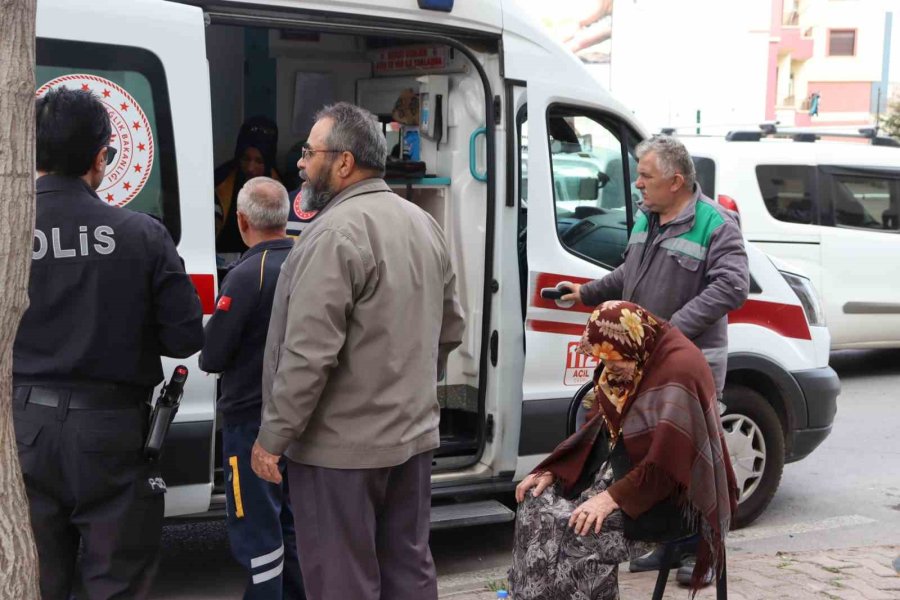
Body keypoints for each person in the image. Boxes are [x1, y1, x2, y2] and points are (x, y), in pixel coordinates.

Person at [250, 102, 465, 600]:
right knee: (408, 571)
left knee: (342, 580)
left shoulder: (334, 233)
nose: (301, 163)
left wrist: (273, 437)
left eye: (310, 152)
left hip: (339, 454)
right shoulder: (421, 223)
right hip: (410, 441)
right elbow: (449, 328)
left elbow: (307, 355)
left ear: (344, 162)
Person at [13, 86, 204, 599]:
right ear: (101, 157)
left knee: (34, 577)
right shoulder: (141, 233)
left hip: (23, 427)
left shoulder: (8, 234)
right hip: (112, 431)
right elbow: (186, 337)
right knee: (117, 580)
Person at [562, 134, 748, 577]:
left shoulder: (716, 224)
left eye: (646, 176)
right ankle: (667, 541)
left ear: (677, 181)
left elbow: (733, 286)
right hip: (637, 365)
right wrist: (586, 293)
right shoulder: (648, 218)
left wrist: (668, 333)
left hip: (685, 367)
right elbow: (630, 272)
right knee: (647, 456)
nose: (638, 185)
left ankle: (696, 549)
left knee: (682, 456)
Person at [509, 301, 738, 600]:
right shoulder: (635, 350)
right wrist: (555, 469)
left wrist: (610, 498)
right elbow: (599, 427)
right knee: (534, 506)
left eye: (615, 363)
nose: (609, 370)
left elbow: (667, 466)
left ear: (632, 343)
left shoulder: (679, 371)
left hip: (673, 498)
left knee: (581, 531)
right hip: (625, 472)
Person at [199, 176, 305, 600]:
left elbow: (212, 356)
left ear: (241, 220)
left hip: (251, 424)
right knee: (291, 528)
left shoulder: (247, 275)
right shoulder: (308, 261)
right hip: (300, 419)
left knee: (256, 532)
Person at [215, 115, 280, 257]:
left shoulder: (281, 189)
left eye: (259, 161)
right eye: (246, 159)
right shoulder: (220, 183)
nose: (251, 168)